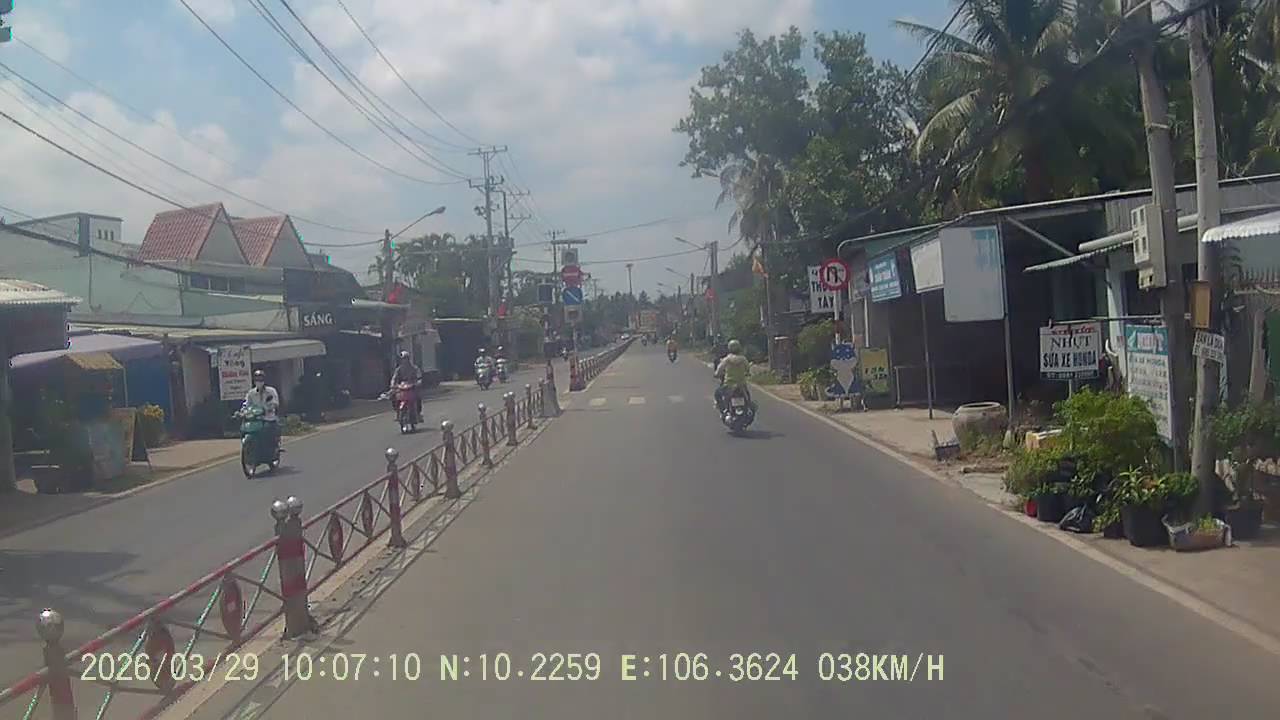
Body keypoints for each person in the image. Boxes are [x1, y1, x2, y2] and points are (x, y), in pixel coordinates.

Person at [242, 369, 280, 451]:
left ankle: (270, 448)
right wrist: (242, 411)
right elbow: (246, 404)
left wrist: (269, 408)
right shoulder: (251, 393)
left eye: (260, 379)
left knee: (267, 430)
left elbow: (275, 402)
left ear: (264, 380)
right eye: (257, 379)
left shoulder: (271, 391)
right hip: (255, 418)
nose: (259, 381)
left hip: (268, 418)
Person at [714, 339, 751, 413]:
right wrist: (747, 373)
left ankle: (722, 408)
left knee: (717, 393)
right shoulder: (743, 359)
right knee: (748, 398)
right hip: (741, 384)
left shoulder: (727, 359)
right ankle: (748, 408)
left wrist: (716, 374)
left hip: (729, 384)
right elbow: (748, 368)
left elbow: (720, 369)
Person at [390, 350, 423, 420]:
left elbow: (419, 377)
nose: (404, 361)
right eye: (403, 359)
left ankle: (418, 413)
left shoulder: (414, 368)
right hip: (402, 386)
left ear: (408, 359)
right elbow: (394, 378)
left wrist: (418, 383)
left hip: (412, 386)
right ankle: (397, 411)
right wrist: (393, 385)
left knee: (418, 397)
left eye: (406, 359)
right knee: (393, 396)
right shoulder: (398, 369)